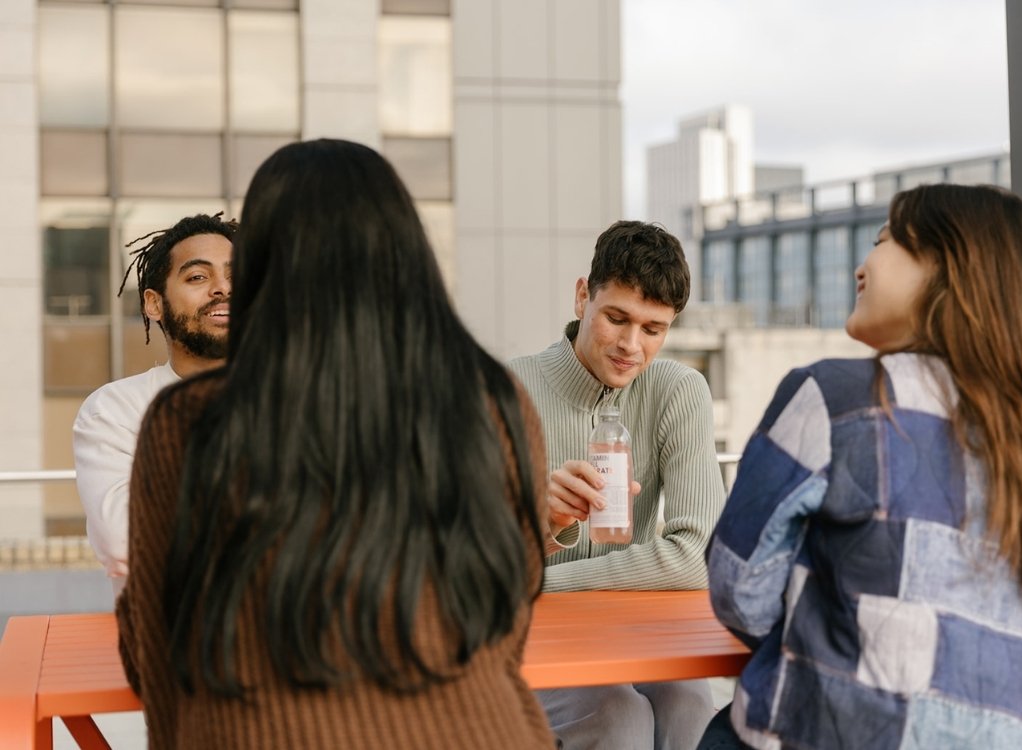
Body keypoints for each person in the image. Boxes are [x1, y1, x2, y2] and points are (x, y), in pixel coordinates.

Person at [115, 139, 557, 749]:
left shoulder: (188, 420)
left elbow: (159, 650)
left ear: (265, 263)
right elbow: (511, 609)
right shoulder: (493, 398)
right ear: (406, 251)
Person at [700, 183, 1022, 749]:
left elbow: (738, 588)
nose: (861, 266)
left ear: (946, 266)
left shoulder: (831, 397)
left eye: (885, 240)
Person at [509, 220, 726, 750]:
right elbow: (475, 573)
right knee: (617, 715)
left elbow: (701, 556)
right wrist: (546, 524)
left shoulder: (679, 390)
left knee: (697, 703)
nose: (632, 346)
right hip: (533, 647)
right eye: (617, 318)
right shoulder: (507, 391)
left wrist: (540, 587)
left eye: (653, 329)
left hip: (637, 636)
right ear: (583, 296)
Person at [73, 213, 235, 596]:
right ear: (153, 303)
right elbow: (125, 538)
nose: (223, 289)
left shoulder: (297, 399)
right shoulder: (114, 410)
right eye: (198, 277)